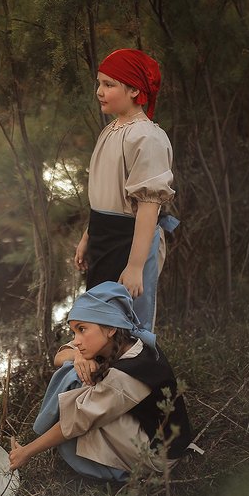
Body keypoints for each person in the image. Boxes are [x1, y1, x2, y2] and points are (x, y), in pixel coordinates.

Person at [8, 282, 192, 481]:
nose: (77, 339)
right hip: (147, 428)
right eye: (73, 332)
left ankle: (114, 472)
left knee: (75, 418)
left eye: (82, 329)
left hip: (158, 455)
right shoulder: (125, 341)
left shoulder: (130, 373)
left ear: (111, 328)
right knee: (73, 371)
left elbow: (76, 421)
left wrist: (26, 452)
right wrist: (77, 356)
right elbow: (59, 357)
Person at [74, 48, 179, 331]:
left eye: (109, 85)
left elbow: (148, 204)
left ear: (134, 90)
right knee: (99, 326)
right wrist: (88, 236)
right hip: (104, 237)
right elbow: (104, 194)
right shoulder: (110, 130)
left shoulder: (147, 137)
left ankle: (133, 375)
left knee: (128, 328)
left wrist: (134, 267)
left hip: (131, 241)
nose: (100, 91)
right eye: (99, 83)